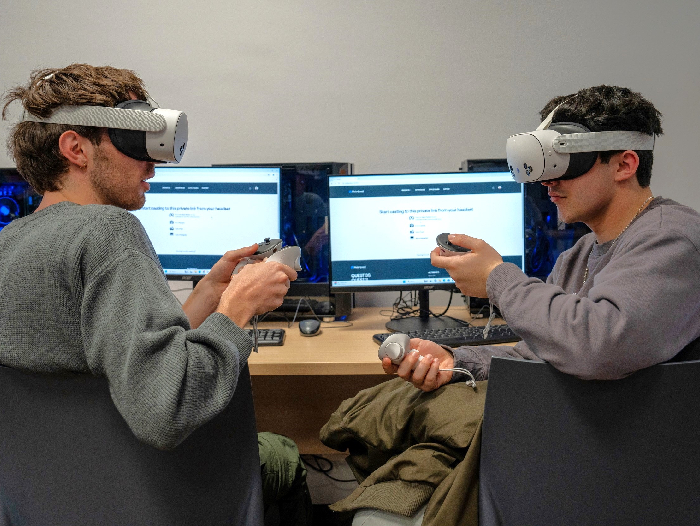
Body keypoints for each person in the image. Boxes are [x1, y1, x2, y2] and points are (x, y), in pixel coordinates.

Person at [0, 64, 311, 523]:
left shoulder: (10, 242)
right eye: (133, 143)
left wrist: (210, 295)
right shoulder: (109, 231)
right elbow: (167, 409)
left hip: (65, 499)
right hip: (162, 497)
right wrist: (239, 309)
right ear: (75, 148)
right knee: (283, 451)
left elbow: (113, 361)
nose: (153, 163)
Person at [382, 85, 700, 391]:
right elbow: (541, 356)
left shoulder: (672, 239)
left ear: (624, 165)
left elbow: (598, 347)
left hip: (608, 427)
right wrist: (457, 361)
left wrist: (496, 278)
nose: (548, 181)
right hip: (564, 414)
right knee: (388, 404)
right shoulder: (578, 256)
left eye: (566, 162)